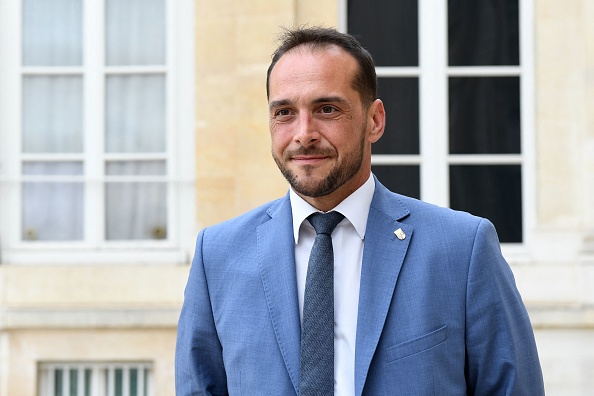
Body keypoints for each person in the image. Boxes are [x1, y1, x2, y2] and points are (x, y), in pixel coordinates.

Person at [175, 26, 544, 395]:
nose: (304, 133)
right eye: (285, 112)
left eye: (327, 109)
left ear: (375, 120)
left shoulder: (462, 249)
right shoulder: (217, 255)